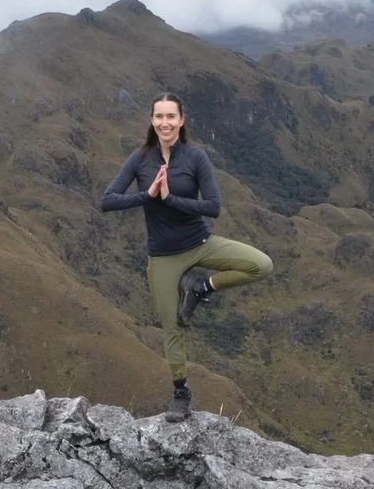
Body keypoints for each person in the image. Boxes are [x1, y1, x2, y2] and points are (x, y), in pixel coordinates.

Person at [100, 93, 273, 421]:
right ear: (152, 121)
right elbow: (107, 201)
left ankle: (201, 286)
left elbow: (213, 207)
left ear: (182, 120)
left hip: (200, 242)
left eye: (171, 117)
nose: (164, 123)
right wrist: (146, 196)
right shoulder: (140, 159)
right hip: (164, 256)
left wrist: (170, 199)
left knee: (261, 265)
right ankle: (181, 393)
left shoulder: (195, 158)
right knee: (171, 324)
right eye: (158, 117)